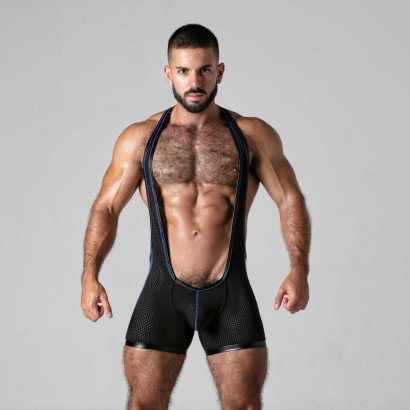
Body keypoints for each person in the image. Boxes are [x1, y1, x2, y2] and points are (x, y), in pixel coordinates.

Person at [80, 23, 311, 410]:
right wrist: (90, 274)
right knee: (143, 405)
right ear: (168, 74)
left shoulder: (251, 135)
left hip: (230, 292)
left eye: (204, 70)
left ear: (219, 71)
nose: (194, 82)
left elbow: (290, 199)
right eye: (183, 71)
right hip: (163, 292)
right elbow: (106, 206)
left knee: (244, 405)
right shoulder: (141, 138)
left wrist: (299, 267)